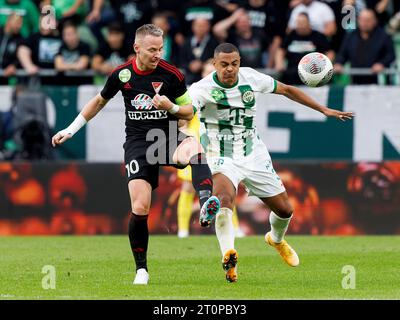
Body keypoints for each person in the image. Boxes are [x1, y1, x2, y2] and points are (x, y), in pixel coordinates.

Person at [51, 24, 221, 285]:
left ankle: (207, 203)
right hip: (139, 144)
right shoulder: (121, 75)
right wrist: (71, 130)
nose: (157, 54)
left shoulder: (172, 74)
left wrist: (171, 106)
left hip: (166, 137)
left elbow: (189, 112)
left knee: (196, 149)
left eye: (160, 49)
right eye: (152, 49)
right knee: (140, 208)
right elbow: (98, 101)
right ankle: (141, 269)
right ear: (137, 48)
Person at [189, 43, 354, 282]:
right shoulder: (201, 89)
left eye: (234, 64)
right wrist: (175, 110)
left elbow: (286, 90)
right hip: (220, 154)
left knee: (285, 210)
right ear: (214, 64)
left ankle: (275, 239)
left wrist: (322, 109)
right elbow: (187, 110)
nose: (230, 69)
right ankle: (229, 256)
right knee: (223, 200)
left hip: (253, 153)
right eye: (224, 64)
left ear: (239, 63)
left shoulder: (251, 78)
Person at [334, 9, 395, 84]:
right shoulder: (351, 36)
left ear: (375, 21)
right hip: (355, 80)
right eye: (362, 19)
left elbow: (391, 55)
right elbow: (342, 54)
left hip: (378, 81)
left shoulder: (384, 36)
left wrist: (382, 64)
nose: (364, 23)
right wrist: (338, 63)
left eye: (368, 20)